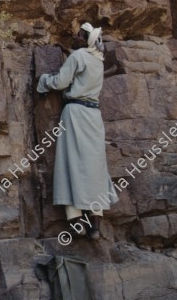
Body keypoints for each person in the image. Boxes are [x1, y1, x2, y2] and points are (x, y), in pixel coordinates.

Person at [37, 22, 118, 240]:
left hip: (75, 114)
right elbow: (82, 61)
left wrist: (44, 82)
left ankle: (76, 221)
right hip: (94, 117)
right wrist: (69, 52)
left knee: (70, 162)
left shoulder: (78, 57)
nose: (75, 37)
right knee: (94, 167)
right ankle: (94, 226)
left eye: (78, 35)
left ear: (85, 40)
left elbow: (61, 82)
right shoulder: (96, 60)